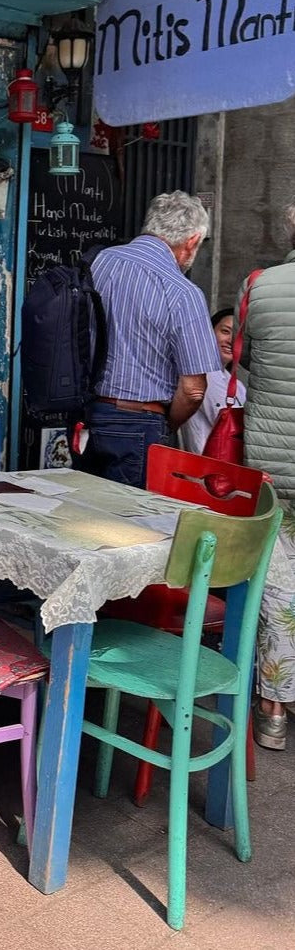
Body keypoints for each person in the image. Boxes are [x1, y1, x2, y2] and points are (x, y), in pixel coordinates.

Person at [73, 191, 221, 488]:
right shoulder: (183, 293)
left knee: (85, 516)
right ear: (191, 242)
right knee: (130, 527)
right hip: (140, 423)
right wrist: (165, 426)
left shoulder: (98, 262)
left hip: (85, 414)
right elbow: (193, 390)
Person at [238, 201, 295, 751]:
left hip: (272, 465)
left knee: (279, 586)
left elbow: (246, 358)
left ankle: (273, 708)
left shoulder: (259, 285)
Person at [180, 307, 246, 455]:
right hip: (204, 468)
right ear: (209, 334)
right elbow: (227, 424)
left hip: (228, 466)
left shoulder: (237, 384)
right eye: (225, 331)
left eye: (237, 335)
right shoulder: (205, 373)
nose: (231, 340)